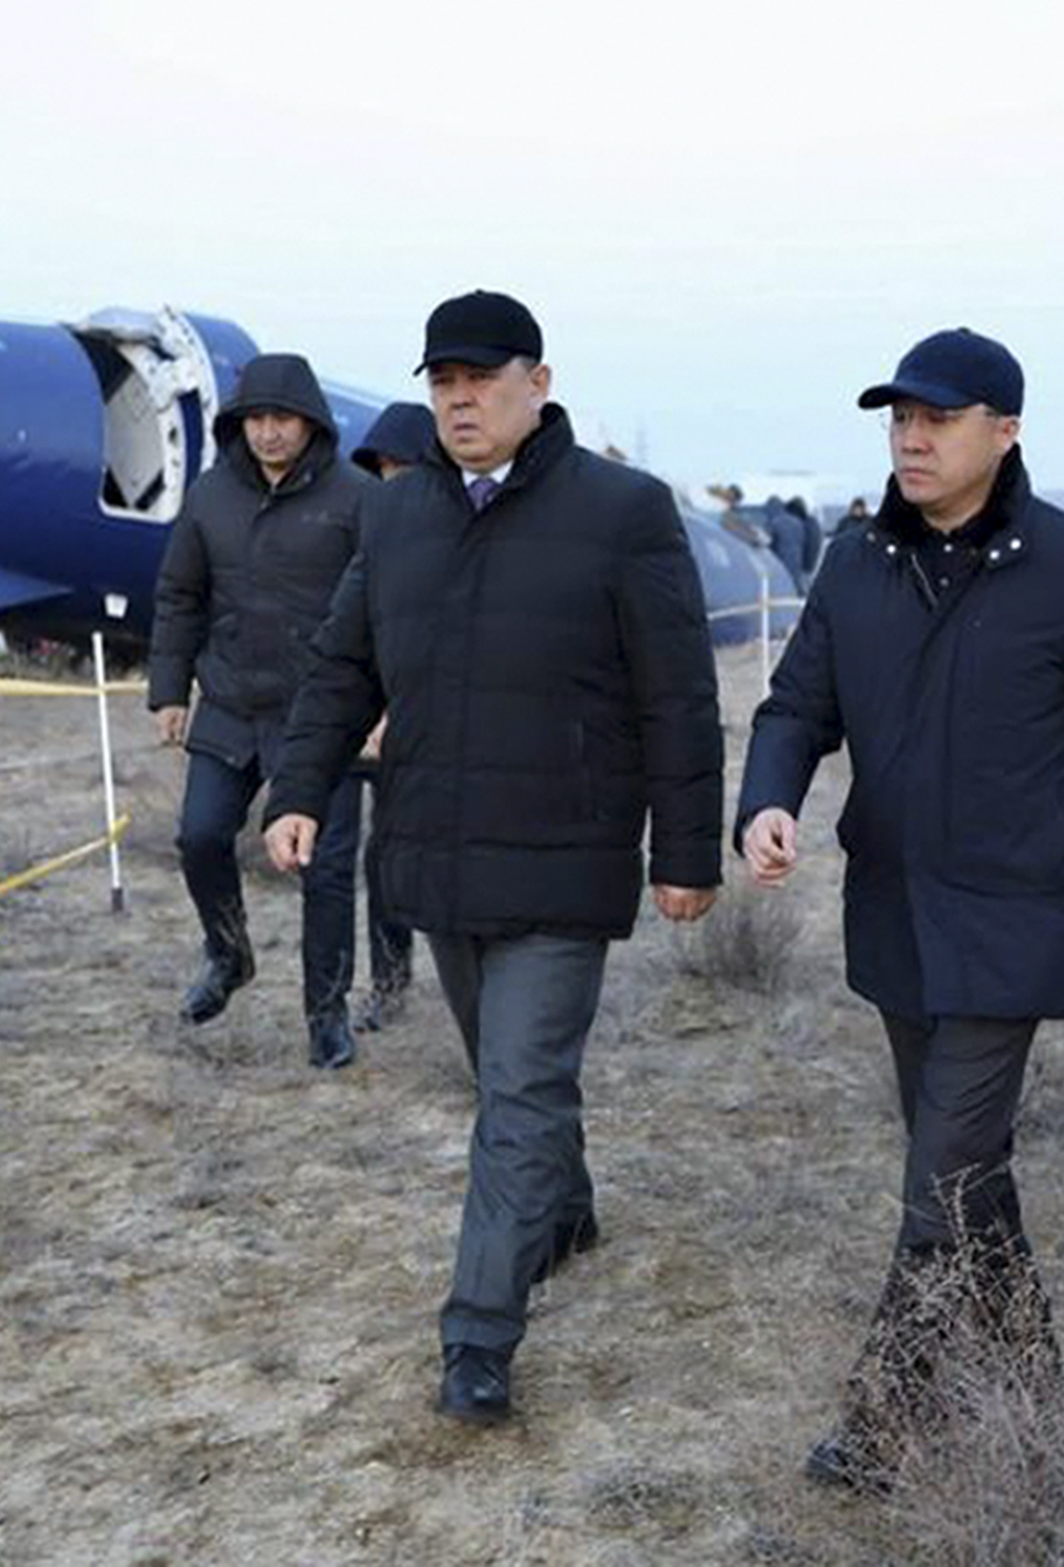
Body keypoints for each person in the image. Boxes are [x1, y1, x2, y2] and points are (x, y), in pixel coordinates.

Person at [733, 328, 1064, 1491]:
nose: (911, 437)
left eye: (936, 417)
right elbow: (794, 706)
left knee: (938, 1176)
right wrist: (767, 800)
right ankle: (1037, 1381)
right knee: (969, 1172)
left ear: (1006, 428)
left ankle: (885, 1423)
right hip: (894, 911)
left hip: (1018, 914)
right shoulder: (854, 561)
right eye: (898, 418)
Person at [263, 289, 723, 1426]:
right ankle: (562, 1211)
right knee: (506, 1077)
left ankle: (477, 1336)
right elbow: (341, 668)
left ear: (539, 381)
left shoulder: (622, 511)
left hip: (565, 857)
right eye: (440, 382)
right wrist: (298, 789)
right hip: (436, 853)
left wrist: (687, 848)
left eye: (480, 378)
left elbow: (677, 693)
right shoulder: (397, 515)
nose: (458, 399)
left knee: (516, 1090)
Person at [149, 354, 374, 1068]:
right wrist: (167, 689)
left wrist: (383, 707)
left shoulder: (358, 498)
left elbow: (390, 609)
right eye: (256, 420)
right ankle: (227, 951)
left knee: (327, 871)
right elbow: (179, 594)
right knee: (200, 836)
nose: (270, 433)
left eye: (283, 419)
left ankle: (326, 1014)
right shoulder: (210, 496)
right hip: (230, 703)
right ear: (237, 424)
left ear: (310, 422)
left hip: (324, 716)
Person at [347, 400, 442, 1029]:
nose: (391, 481)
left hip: (444, 725)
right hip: (379, 726)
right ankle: (389, 983)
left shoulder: (461, 535)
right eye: (382, 470)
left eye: (403, 469)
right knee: (382, 858)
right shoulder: (377, 532)